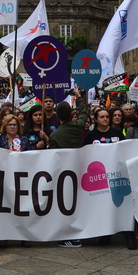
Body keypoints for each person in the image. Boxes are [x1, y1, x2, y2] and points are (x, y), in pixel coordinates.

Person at [48, 88, 86, 248]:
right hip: (79, 170)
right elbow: (84, 112)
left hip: (63, 174)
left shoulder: (54, 136)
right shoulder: (78, 127)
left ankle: (67, 235)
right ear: (71, 114)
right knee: (77, 204)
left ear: (57, 115)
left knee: (64, 205)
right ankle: (76, 234)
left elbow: (52, 157)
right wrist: (78, 96)